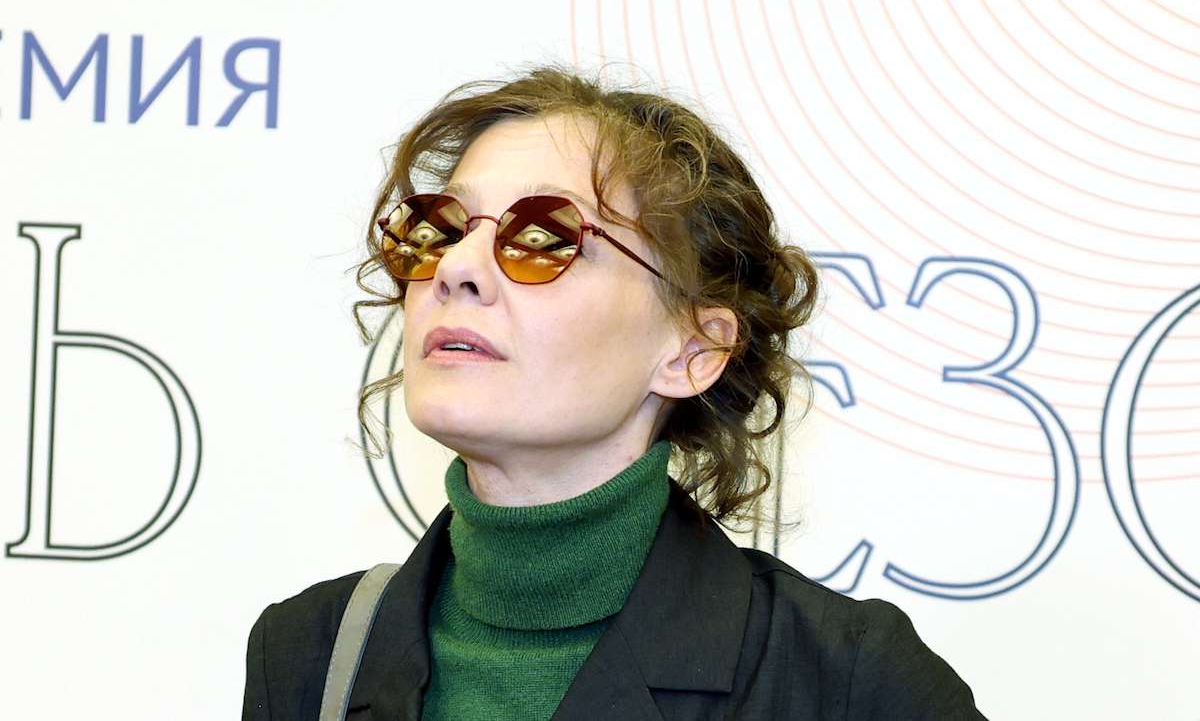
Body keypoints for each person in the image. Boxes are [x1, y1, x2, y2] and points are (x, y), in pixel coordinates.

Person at [241, 65, 986, 720]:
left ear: (693, 351)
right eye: (439, 228)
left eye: (543, 238)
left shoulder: (845, 682)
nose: (456, 268)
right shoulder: (309, 654)